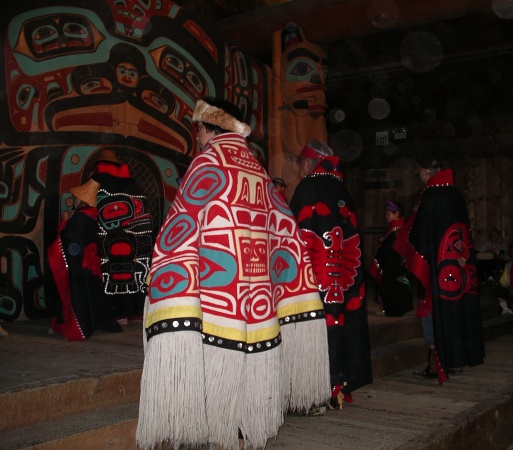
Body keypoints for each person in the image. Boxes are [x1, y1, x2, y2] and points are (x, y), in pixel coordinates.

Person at [136, 98, 330, 450]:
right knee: (243, 389)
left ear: (209, 126)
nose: (197, 136)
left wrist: (162, 278)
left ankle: (219, 439)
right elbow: (286, 230)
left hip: (216, 301)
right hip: (255, 302)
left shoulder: (208, 162)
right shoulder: (255, 168)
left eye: (198, 128)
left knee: (216, 386)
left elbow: (179, 230)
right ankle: (240, 438)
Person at [289, 139, 372, 411]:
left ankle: (313, 394)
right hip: (341, 282)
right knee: (338, 325)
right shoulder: (342, 191)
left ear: (310, 162)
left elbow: (294, 238)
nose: (298, 167)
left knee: (314, 327)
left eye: (300, 161)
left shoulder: (307, 189)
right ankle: (337, 383)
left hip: (314, 280)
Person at [392, 154, 485, 384]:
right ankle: (454, 360)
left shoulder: (431, 195)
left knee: (433, 310)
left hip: (437, 269)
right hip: (456, 267)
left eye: (420, 173)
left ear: (424, 172)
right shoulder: (455, 195)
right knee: (454, 311)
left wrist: (406, 239)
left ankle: (437, 363)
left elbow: (420, 236)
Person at [47, 179, 122, 341]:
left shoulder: (79, 219)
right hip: (92, 265)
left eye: (75, 197)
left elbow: (68, 242)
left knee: (76, 295)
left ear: (81, 199)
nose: (73, 200)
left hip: (79, 266)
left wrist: (64, 222)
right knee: (92, 294)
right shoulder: (94, 217)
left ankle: (77, 324)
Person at [92, 149, 155, 325]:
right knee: (130, 271)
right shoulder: (132, 186)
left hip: (110, 238)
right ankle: (130, 310)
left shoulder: (96, 183)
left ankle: (114, 311)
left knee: (111, 272)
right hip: (128, 239)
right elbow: (145, 216)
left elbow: (86, 209)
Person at [369, 200, 413, 316]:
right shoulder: (397, 228)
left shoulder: (399, 229)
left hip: (393, 266)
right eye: (386, 214)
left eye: (388, 214)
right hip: (394, 266)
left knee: (394, 287)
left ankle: (394, 309)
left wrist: (383, 245)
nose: (386, 216)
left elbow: (391, 248)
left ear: (397, 214)